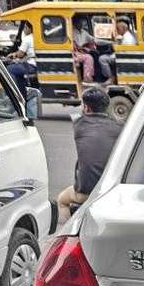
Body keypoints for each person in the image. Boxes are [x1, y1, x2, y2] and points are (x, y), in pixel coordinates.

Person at [57, 87, 123, 222]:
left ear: (86, 108)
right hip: (111, 189)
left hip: (85, 192)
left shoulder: (79, 125)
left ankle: (67, 233)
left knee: (62, 201)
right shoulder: (119, 128)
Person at [5, 22, 38, 98]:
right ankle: (23, 91)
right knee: (18, 70)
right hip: (37, 64)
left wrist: (12, 55)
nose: (24, 30)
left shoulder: (28, 38)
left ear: (29, 28)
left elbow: (20, 54)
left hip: (31, 65)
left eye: (25, 28)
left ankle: (18, 93)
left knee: (10, 69)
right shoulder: (38, 37)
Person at [98, 18, 136, 82]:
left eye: (118, 29)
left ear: (124, 28)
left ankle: (110, 78)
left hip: (123, 57)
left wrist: (114, 48)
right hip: (122, 55)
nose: (117, 31)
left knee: (102, 59)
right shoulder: (126, 36)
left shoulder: (128, 38)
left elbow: (123, 51)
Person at [72, 16, 96, 84]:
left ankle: (90, 77)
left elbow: (92, 39)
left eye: (81, 23)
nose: (81, 24)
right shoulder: (72, 32)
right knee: (88, 58)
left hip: (81, 52)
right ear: (75, 24)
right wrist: (82, 48)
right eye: (79, 23)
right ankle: (87, 78)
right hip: (74, 54)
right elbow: (75, 46)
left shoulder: (84, 32)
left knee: (92, 54)